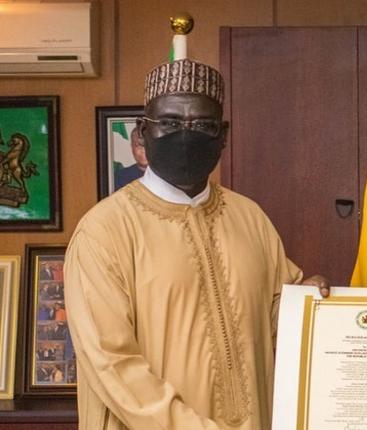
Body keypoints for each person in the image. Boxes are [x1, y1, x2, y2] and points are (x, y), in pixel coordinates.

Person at [64, 57, 329, 429]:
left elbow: (270, 316)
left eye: (202, 125)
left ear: (222, 136)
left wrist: (306, 304)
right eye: (170, 123)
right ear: (141, 136)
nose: (186, 135)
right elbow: (113, 365)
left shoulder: (249, 216)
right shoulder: (104, 232)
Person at [113, 126, 148, 191]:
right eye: (138, 146)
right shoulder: (118, 178)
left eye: (146, 146)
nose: (143, 150)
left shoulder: (166, 176)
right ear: (132, 147)